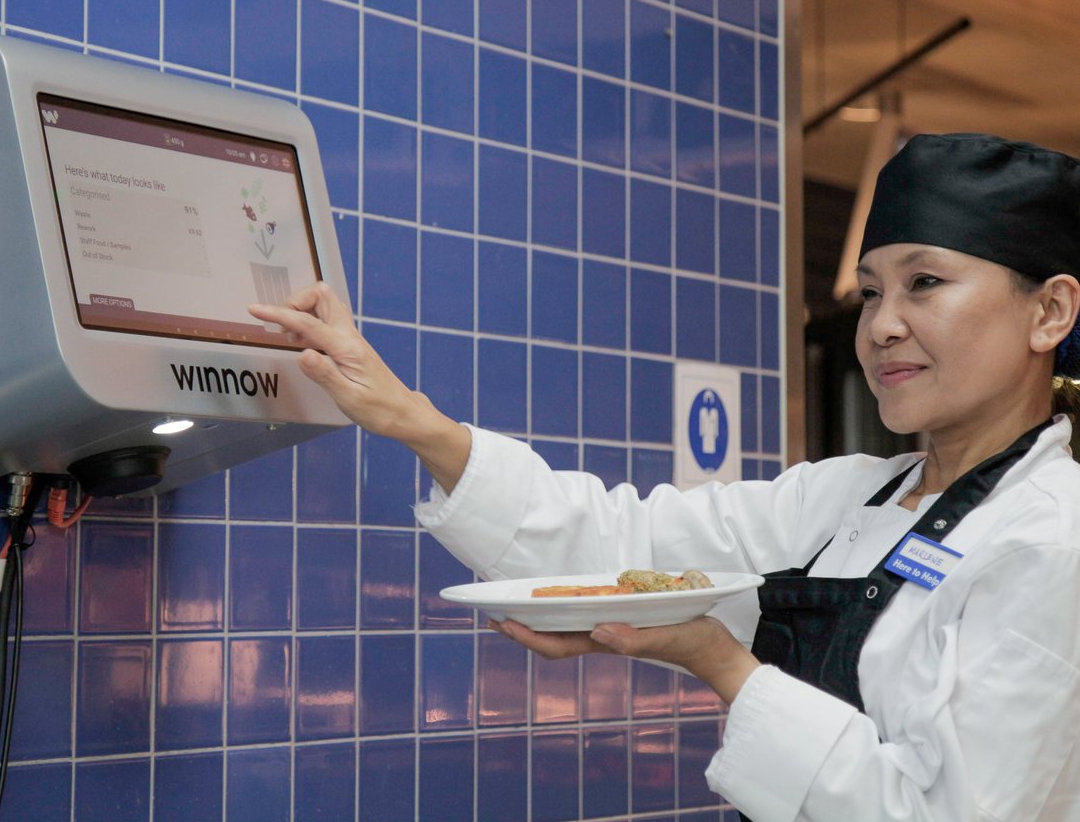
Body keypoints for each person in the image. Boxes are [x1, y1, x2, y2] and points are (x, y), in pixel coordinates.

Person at [249, 133, 1080, 821]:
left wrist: (723, 664)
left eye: (924, 284)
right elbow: (625, 546)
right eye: (869, 292)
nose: (882, 325)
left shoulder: (1052, 540)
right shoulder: (842, 499)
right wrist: (410, 420)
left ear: (1050, 312)